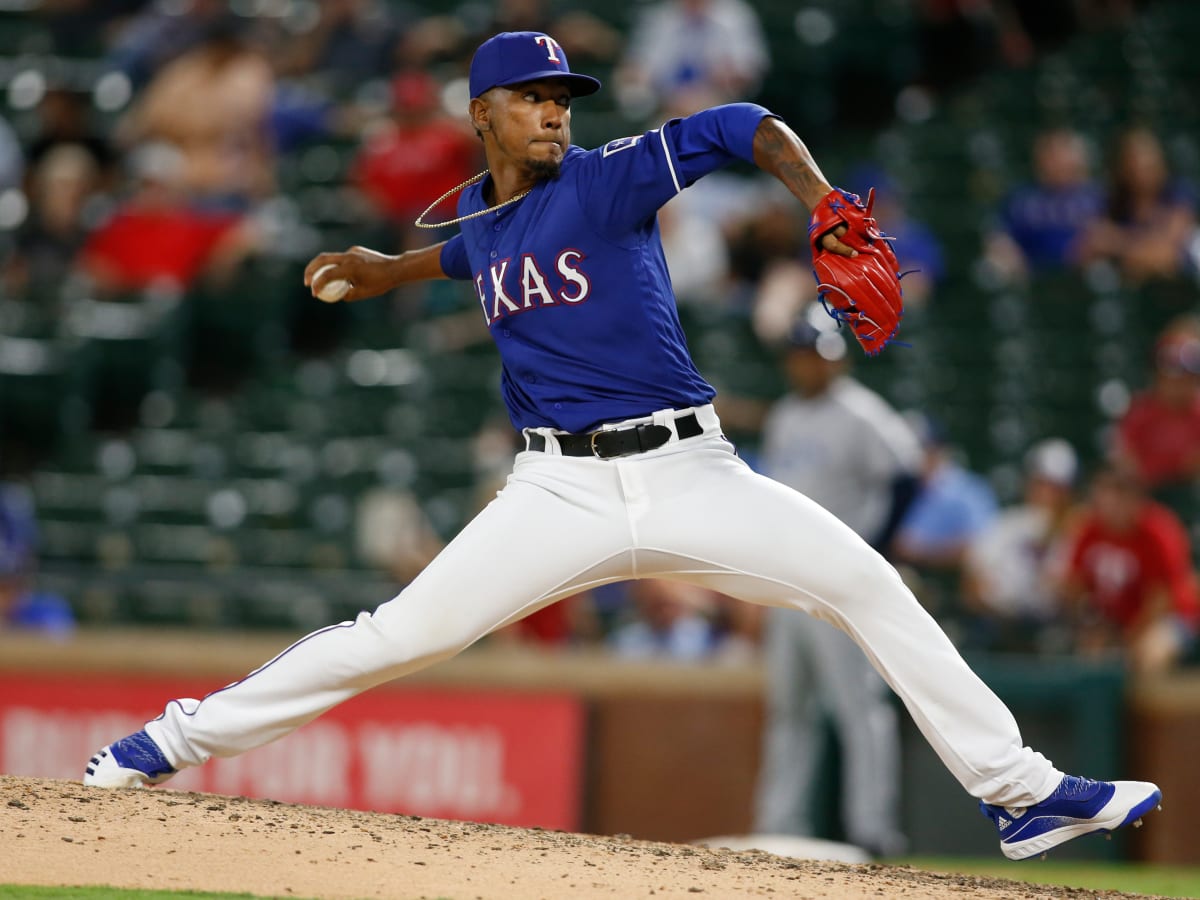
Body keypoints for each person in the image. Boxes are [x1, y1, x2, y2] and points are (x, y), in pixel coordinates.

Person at [82, 30, 1161, 862]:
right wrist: (381, 272)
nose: (554, 114)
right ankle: (164, 745)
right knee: (395, 635)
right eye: (531, 100)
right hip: (557, 493)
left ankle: (1018, 793)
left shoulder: (610, 179)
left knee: (870, 586)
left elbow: (744, 122)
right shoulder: (487, 229)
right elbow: (465, 257)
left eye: (562, 99)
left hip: (692, 473)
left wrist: (822, 198)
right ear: (482, 118)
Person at [753, 321, 920, 857]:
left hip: (839, 583)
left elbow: (907, 475)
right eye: (800, 355)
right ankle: (781, 826)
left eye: (817, 355)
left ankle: (873, 828)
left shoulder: (861, 412)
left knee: (858, 709)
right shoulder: (783, 416)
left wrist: (874, 552)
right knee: (790, 710)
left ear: (837, 359)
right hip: (789, 582)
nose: (807, 364)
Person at [1057, 465, 1198, 675]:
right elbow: (1074, 585)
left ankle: (1152, 707)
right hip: (1115, 622)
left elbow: (1161, 600)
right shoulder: (1090, 528)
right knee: (1086, 657)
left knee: (1152, 652)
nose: (1111, 504)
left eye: (1120, 494)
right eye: (1106, 494)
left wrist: (1124, 640)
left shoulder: (1158, 530)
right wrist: (1090, 625)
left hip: (1173, 618)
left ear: (1136, 499)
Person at [961, 438, 1079, 653]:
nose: (1044, 491)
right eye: (1039, 482)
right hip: (998, 621)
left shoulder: (1077, 530)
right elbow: (973, 582)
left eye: (1053, 486)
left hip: (1051, 625)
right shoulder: (1007, 522)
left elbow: (1073, 591)